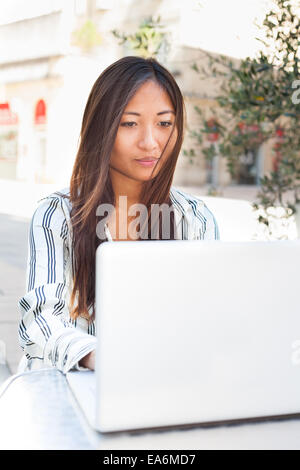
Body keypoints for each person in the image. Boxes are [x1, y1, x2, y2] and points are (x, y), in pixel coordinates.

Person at [17, 56, 220, 374]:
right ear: (102, 128)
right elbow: (39, 326)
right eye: (129, 123)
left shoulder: (194, 220)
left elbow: (207, 320)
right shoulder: (56, 215)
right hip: (65, 393)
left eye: (164, 124)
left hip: (158, 388)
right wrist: (101, 357)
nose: (150, 142)